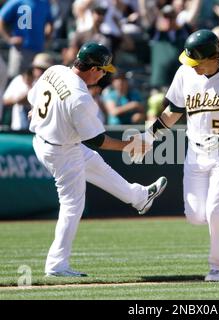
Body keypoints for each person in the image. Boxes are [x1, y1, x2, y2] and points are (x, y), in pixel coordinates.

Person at [27, 42, 167, 277]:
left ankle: (139, 197)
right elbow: (97, 140)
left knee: (93, 162)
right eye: (103, 70)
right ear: (93, 69)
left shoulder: (55, 70)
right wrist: (128, 145)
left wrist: (37, 110)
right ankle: (56, 265)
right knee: (72, 205)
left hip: (47, 140)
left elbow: (33, 98)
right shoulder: (80, 97)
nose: (104, 75)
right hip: (60, 150)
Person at [132, 29, 219, 282]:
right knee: (195, 216)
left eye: (196, 61)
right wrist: (148, 136)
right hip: (196, 151)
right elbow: (173, 111)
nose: (192, 66)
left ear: (214, 56)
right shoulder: (186, 73)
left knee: (214, 212)